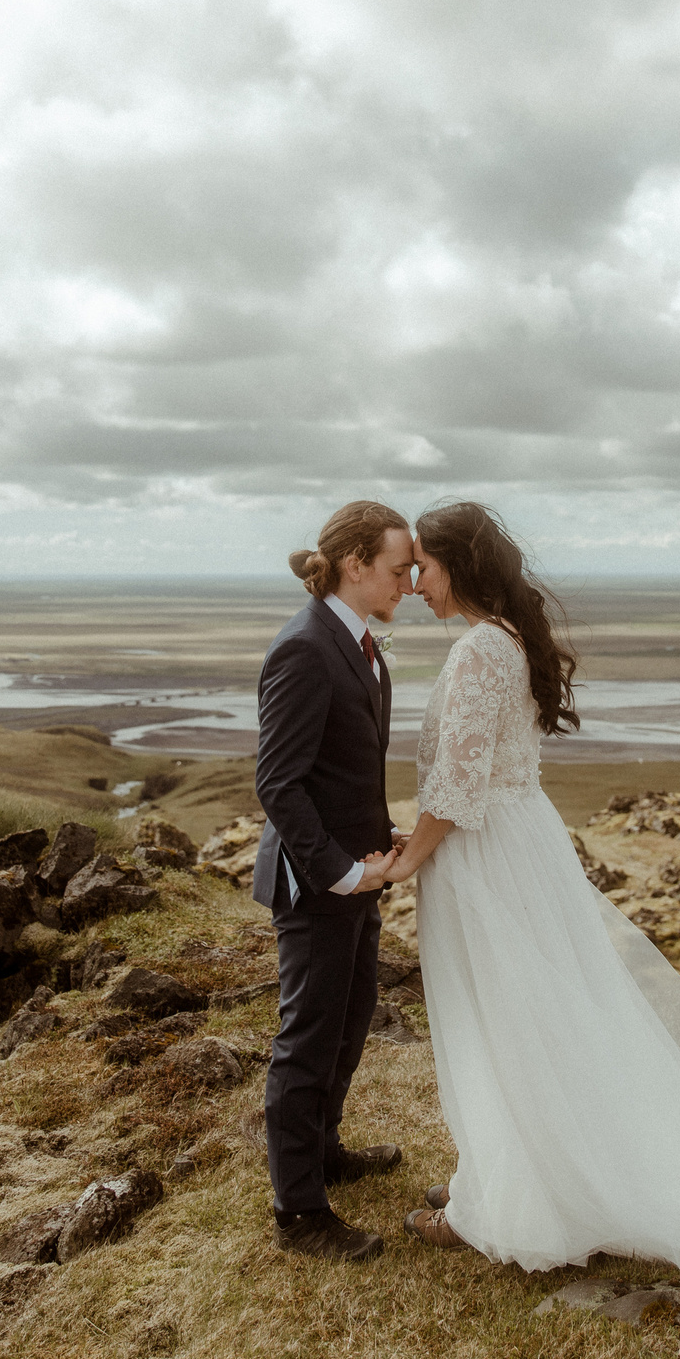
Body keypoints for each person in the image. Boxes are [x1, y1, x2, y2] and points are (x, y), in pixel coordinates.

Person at [377, 501, 680, 1269]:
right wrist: (424, 837)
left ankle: (509, 1199)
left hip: (485, 854)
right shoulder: (507, 641)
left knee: (504, 1021)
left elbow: (457, 790)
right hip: (519, 842)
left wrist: (408, 858)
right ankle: (502, 1173)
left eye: (423, 569)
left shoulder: (475, 653)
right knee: (533, 1011)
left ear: (456, 566)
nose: (414, 587)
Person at [252, 500, 414, 1261]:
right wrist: (343, 872)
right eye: (398, 567)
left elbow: (344, 768)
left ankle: (324, 1150)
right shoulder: (306, 648)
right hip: (318, 884)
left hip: (359, 875)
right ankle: (299, 1210)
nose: (410, 581)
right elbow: (279, 784)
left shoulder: (358, 643)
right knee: (308, 1039)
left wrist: (380, 846)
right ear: (354, 564)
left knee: (352, 1019)